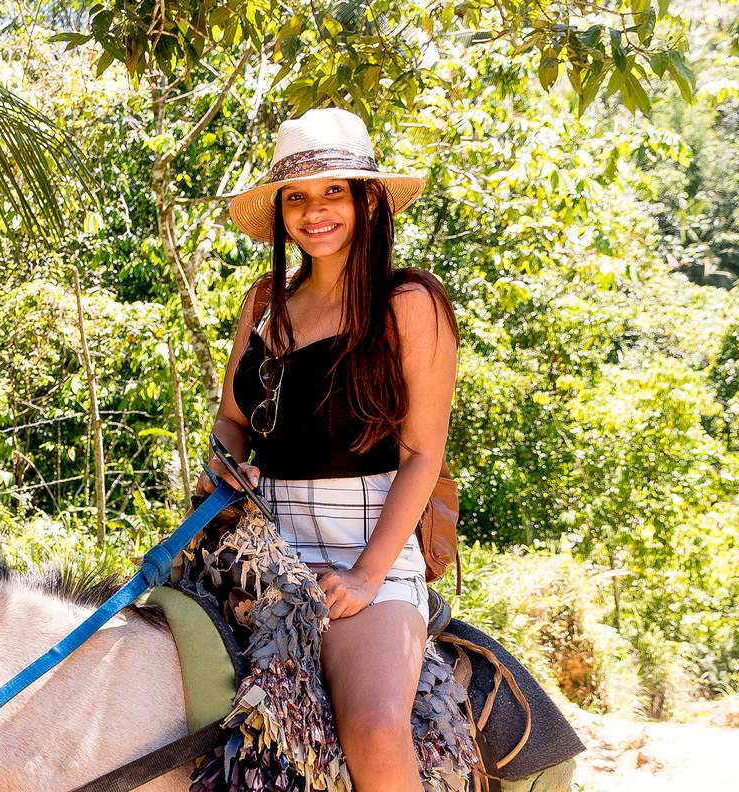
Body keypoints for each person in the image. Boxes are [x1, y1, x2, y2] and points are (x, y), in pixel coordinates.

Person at [193, 107, 458, 792]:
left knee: (373, 727)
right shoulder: (264, 303)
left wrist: (367, 577)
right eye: (297, 197)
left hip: (367, 546)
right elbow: (231, 421)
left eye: (333, 191)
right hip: (258, 546)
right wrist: (224, 462)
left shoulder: (408, 302)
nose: (314, 212)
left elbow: (421, 455)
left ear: (367, 200)